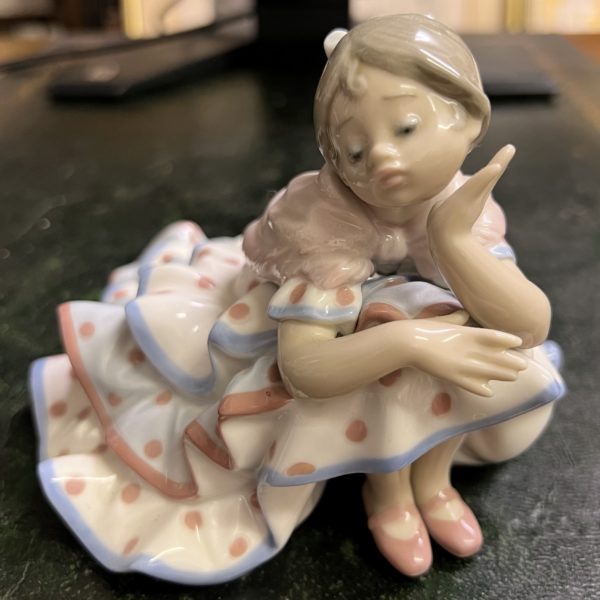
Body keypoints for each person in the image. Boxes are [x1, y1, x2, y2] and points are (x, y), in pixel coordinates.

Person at [30, 15, 564, 583]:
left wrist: (452, 240)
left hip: (395, 316)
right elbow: (305, 366)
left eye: (406, 128)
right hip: (306, 324)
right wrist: (409, 341)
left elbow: (527, 327)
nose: (381, 158)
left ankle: (433, 482)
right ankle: (388, 493)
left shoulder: (464, 204)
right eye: (352, 152)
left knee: (464, 328)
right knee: (398, 331)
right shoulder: (324, 221)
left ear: (470, 117)